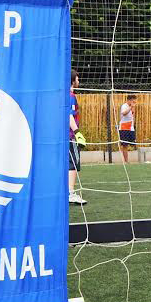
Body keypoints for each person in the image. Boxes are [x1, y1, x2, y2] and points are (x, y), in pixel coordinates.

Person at [69, 69, 87, 204]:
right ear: (73, 80)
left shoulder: (63, 95)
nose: (78, 81)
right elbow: (69, 115)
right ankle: (70, 193)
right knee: (73, 164)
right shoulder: (70, 96)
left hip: (63, 137)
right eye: (77, 79)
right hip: (70, 137)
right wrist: (77, 133)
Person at [118, 94, 137, 163]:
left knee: (132, 144)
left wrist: (133, 125)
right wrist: (130, 107)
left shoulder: (132, 106)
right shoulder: (124, 106)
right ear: (129, 100)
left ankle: (127, 160)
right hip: (124, 128)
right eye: (133, 101)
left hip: (130, 128)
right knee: (125, 145)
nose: (134, 103)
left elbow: (132, 116)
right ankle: (126, 161)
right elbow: (124, 113)